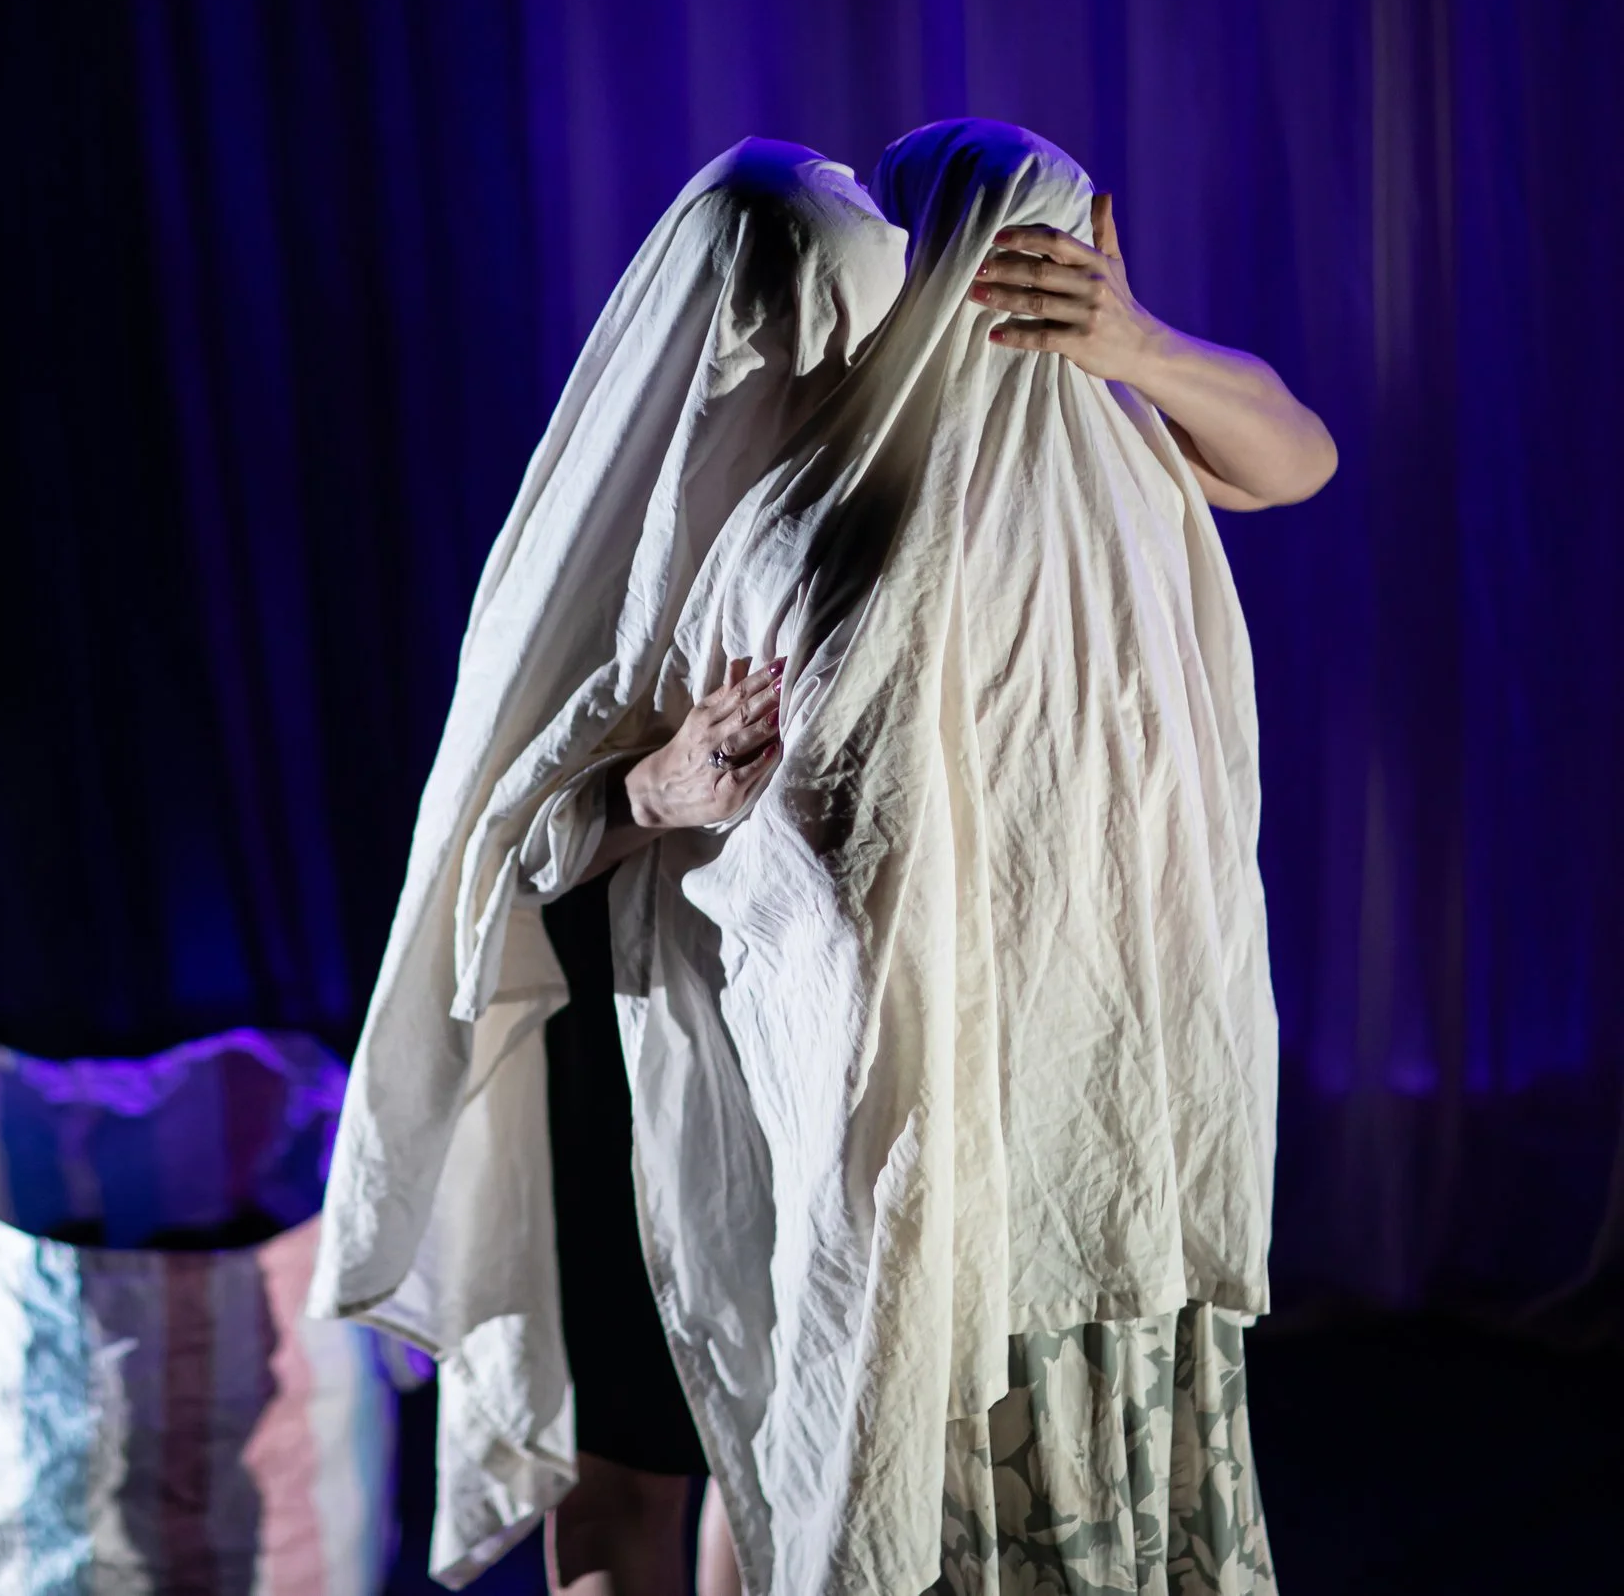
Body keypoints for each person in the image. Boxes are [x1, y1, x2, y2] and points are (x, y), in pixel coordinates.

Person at [312, 120, 1333, 1596]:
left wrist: (1132, 339)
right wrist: (656, 785)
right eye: (790, 304)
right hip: (633, 1045)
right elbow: (499, 849)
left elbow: (1289, 454)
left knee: (778, 1454)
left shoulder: (959, 474)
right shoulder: (671, 520)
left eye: (848, 298)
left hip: (807, 1074)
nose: (818, 340)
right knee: (626, 1483)